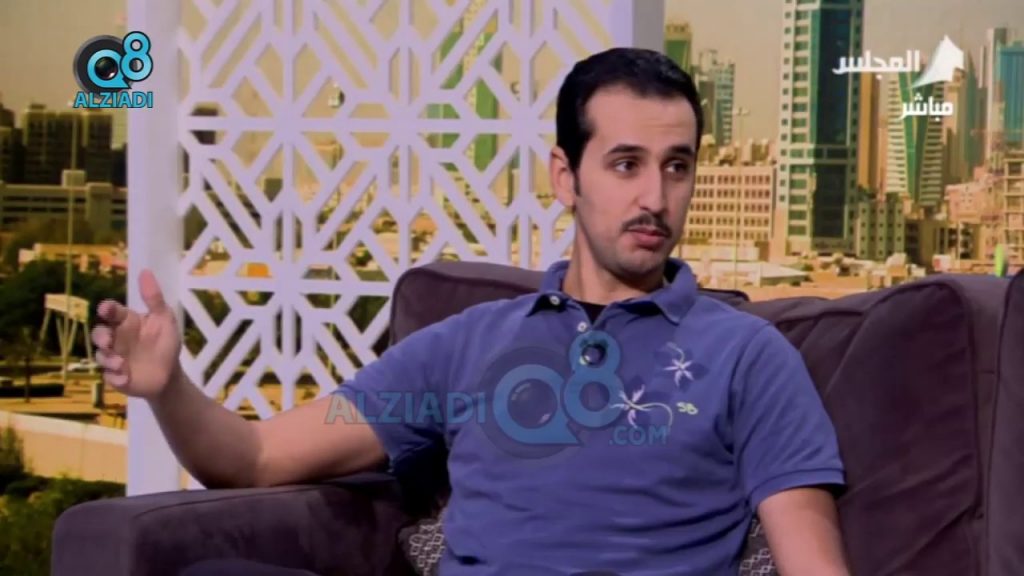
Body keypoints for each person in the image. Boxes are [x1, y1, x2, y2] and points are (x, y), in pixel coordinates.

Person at [93, 47, 850, 576]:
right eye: (626, 164)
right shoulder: (468, 345)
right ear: (565, 177)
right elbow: (254, 458)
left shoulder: (749, 357)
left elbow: (813, 564)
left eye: (677, 168)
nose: (655, 197)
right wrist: (168, 388)